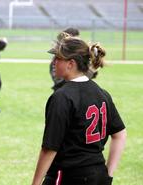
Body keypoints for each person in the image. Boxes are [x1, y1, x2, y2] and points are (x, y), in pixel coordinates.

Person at [31, 35, 126, 185]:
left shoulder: (61, 97)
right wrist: (108, 173)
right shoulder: (102, 93)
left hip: (68, 176)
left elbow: (50, 148)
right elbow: (120, 134)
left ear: (71, 63)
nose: (54, 62)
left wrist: (35, 182)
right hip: (98, 175)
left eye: (57, 58)